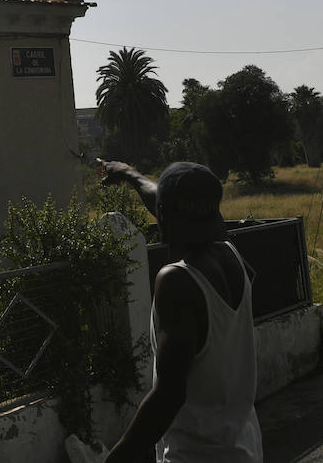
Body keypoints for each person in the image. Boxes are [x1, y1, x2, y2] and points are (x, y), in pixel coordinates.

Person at [100, 160, 262, 463]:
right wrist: (128, 174)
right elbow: (164, 201)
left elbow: (168, 396)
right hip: (244, 449)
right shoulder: (231, 254)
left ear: (163, 214)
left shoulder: (177, 281)